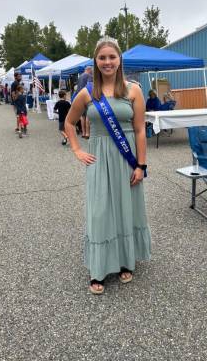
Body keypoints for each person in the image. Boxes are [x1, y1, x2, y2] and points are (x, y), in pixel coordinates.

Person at [65, 36, 151, 295]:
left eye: (112, 57)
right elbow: (69, 123)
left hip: (127, 158)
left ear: (119, 59)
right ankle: (99, 268)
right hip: (99, 159)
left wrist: (141, 165)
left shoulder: (133, 90)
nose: (107, 62)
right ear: (95, 61)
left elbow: (139, 131)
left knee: (126, 208)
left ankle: (125, 259)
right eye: (102, 57)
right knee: (100, 210)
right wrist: (77, 149)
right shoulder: (86, 93)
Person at [76, 66, 93, 139]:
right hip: (87, 97)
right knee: (88, 116)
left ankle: (83, 132)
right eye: (91, 71)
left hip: (79, 97)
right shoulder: (89, 76)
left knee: (82, 116)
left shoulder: (80, 77)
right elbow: (90, 87)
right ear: (89, 70)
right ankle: (87, 133)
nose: (92, 72)